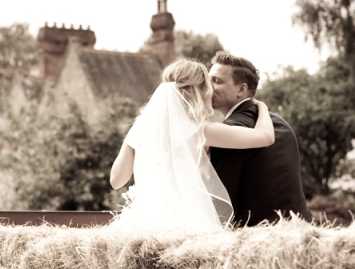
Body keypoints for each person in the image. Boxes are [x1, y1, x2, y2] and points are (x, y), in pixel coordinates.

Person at [110, 59, 275, 231]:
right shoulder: (200, 131)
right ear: (200, 91)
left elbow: (116, 180)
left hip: (144, 222)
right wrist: (262, 107)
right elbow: (265, 137)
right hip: (184, 222)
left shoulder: (140, 129)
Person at [208, 52, 312, 226]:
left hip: (257, 237)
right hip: (301, 230)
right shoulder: (278, 122)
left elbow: (222, 202)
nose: (208, 87)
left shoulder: (229, 133)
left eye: (217, 81)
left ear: (241, 90)